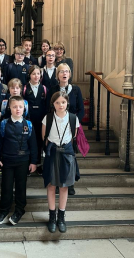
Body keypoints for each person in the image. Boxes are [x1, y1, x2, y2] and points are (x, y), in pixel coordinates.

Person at [0, 96, 37, 225]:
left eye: (20, 107)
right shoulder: (3, 124)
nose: (18, 109)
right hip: (7, 160)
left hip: (23, 161)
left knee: (20, 187)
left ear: (24, 108)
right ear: (10, 108)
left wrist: (33, 162)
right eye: (14, 107)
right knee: (6, 186)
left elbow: (33, 145)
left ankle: (19, 210)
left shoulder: (28, 125)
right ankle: (4, 210)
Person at [42, 92, 79, 233]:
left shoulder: (73, 118)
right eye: (57, 102)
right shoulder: (48, 118)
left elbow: (73, 136)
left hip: (66, 154)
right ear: (53, 104)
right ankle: (52, 216)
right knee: (51, 185)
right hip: (52, 153)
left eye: (63, 102)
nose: (60, 105)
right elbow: (44, 137)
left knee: (64, 186)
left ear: (67, 103)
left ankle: (61, 217)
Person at [47, 63, 84, 195]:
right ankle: (57, 182)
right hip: (56, 125)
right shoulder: (53, 89)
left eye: (66, 71)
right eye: (61, 71)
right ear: (57, 75)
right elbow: (49, 106)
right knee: (57, 157)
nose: (64, 73)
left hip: (71, 125)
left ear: (69, 74)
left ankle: (70, 183)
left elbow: (81, 109)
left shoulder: (76, 89)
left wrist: (74, 121)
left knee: (70, 156)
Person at [23, 66, 47, 174]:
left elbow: (46, 105)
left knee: (40, 142)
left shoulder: (44, 88)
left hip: (41, 120)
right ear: (29, 75)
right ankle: (29, 164)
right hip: (29, 120)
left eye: (38, 74)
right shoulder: (24, 88)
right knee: (29, 141)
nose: (36, 76)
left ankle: (38, 164)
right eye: (33, 74)